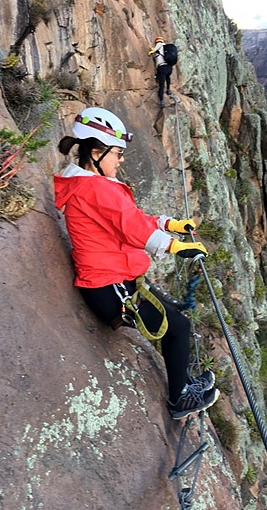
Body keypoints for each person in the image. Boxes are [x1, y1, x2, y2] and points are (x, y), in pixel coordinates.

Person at [54, 107, 220, 419]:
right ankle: (179, 400)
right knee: (178, 327)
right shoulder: (95, 188)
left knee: (175, 317)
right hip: (109, 287)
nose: (121, 159)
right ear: (95, 152)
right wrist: (176, 247)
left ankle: (184, 384)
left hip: (116, 280)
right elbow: (132, 228)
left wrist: (168, 224)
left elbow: (129, 219)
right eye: (116, 153)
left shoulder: (90, 185)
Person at [148, 36, 172, 107]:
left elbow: (153, 50)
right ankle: (168, 89)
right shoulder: (166, 47)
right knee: (168, 77)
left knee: (161, 85)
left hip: (162, 67)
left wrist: (150, 52)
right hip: (169, 67)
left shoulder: (159, 45)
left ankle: (161, 101)